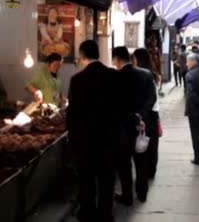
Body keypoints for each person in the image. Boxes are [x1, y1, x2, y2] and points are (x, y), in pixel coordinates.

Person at [66, 40, 124, 222]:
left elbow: (72, 114)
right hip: (109, 139)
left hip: (85, 140)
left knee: (87, 180)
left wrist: (73, 140)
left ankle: (87, 212)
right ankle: (105, 214)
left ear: (82, 56)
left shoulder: (77, 80)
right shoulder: (114, 76)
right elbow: (122, 108)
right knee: (107, 180)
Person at [112, 46, 157, 205]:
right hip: (141, 125)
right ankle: (142, 193)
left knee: (124, 164)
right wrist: (141, 116)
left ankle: (127, 196)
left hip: (122, 127)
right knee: (141, 161)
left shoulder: (115, 77)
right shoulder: (146, 74)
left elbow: (114, 104)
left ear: (116, 59)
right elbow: (152, 99)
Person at [133, 48, 161, 179]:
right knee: (152, 143)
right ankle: (152, 170)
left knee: (142, 143)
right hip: (154, 112)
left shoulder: (142, 75)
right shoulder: (154, 74)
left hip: (145, 112)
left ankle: (145, 172)